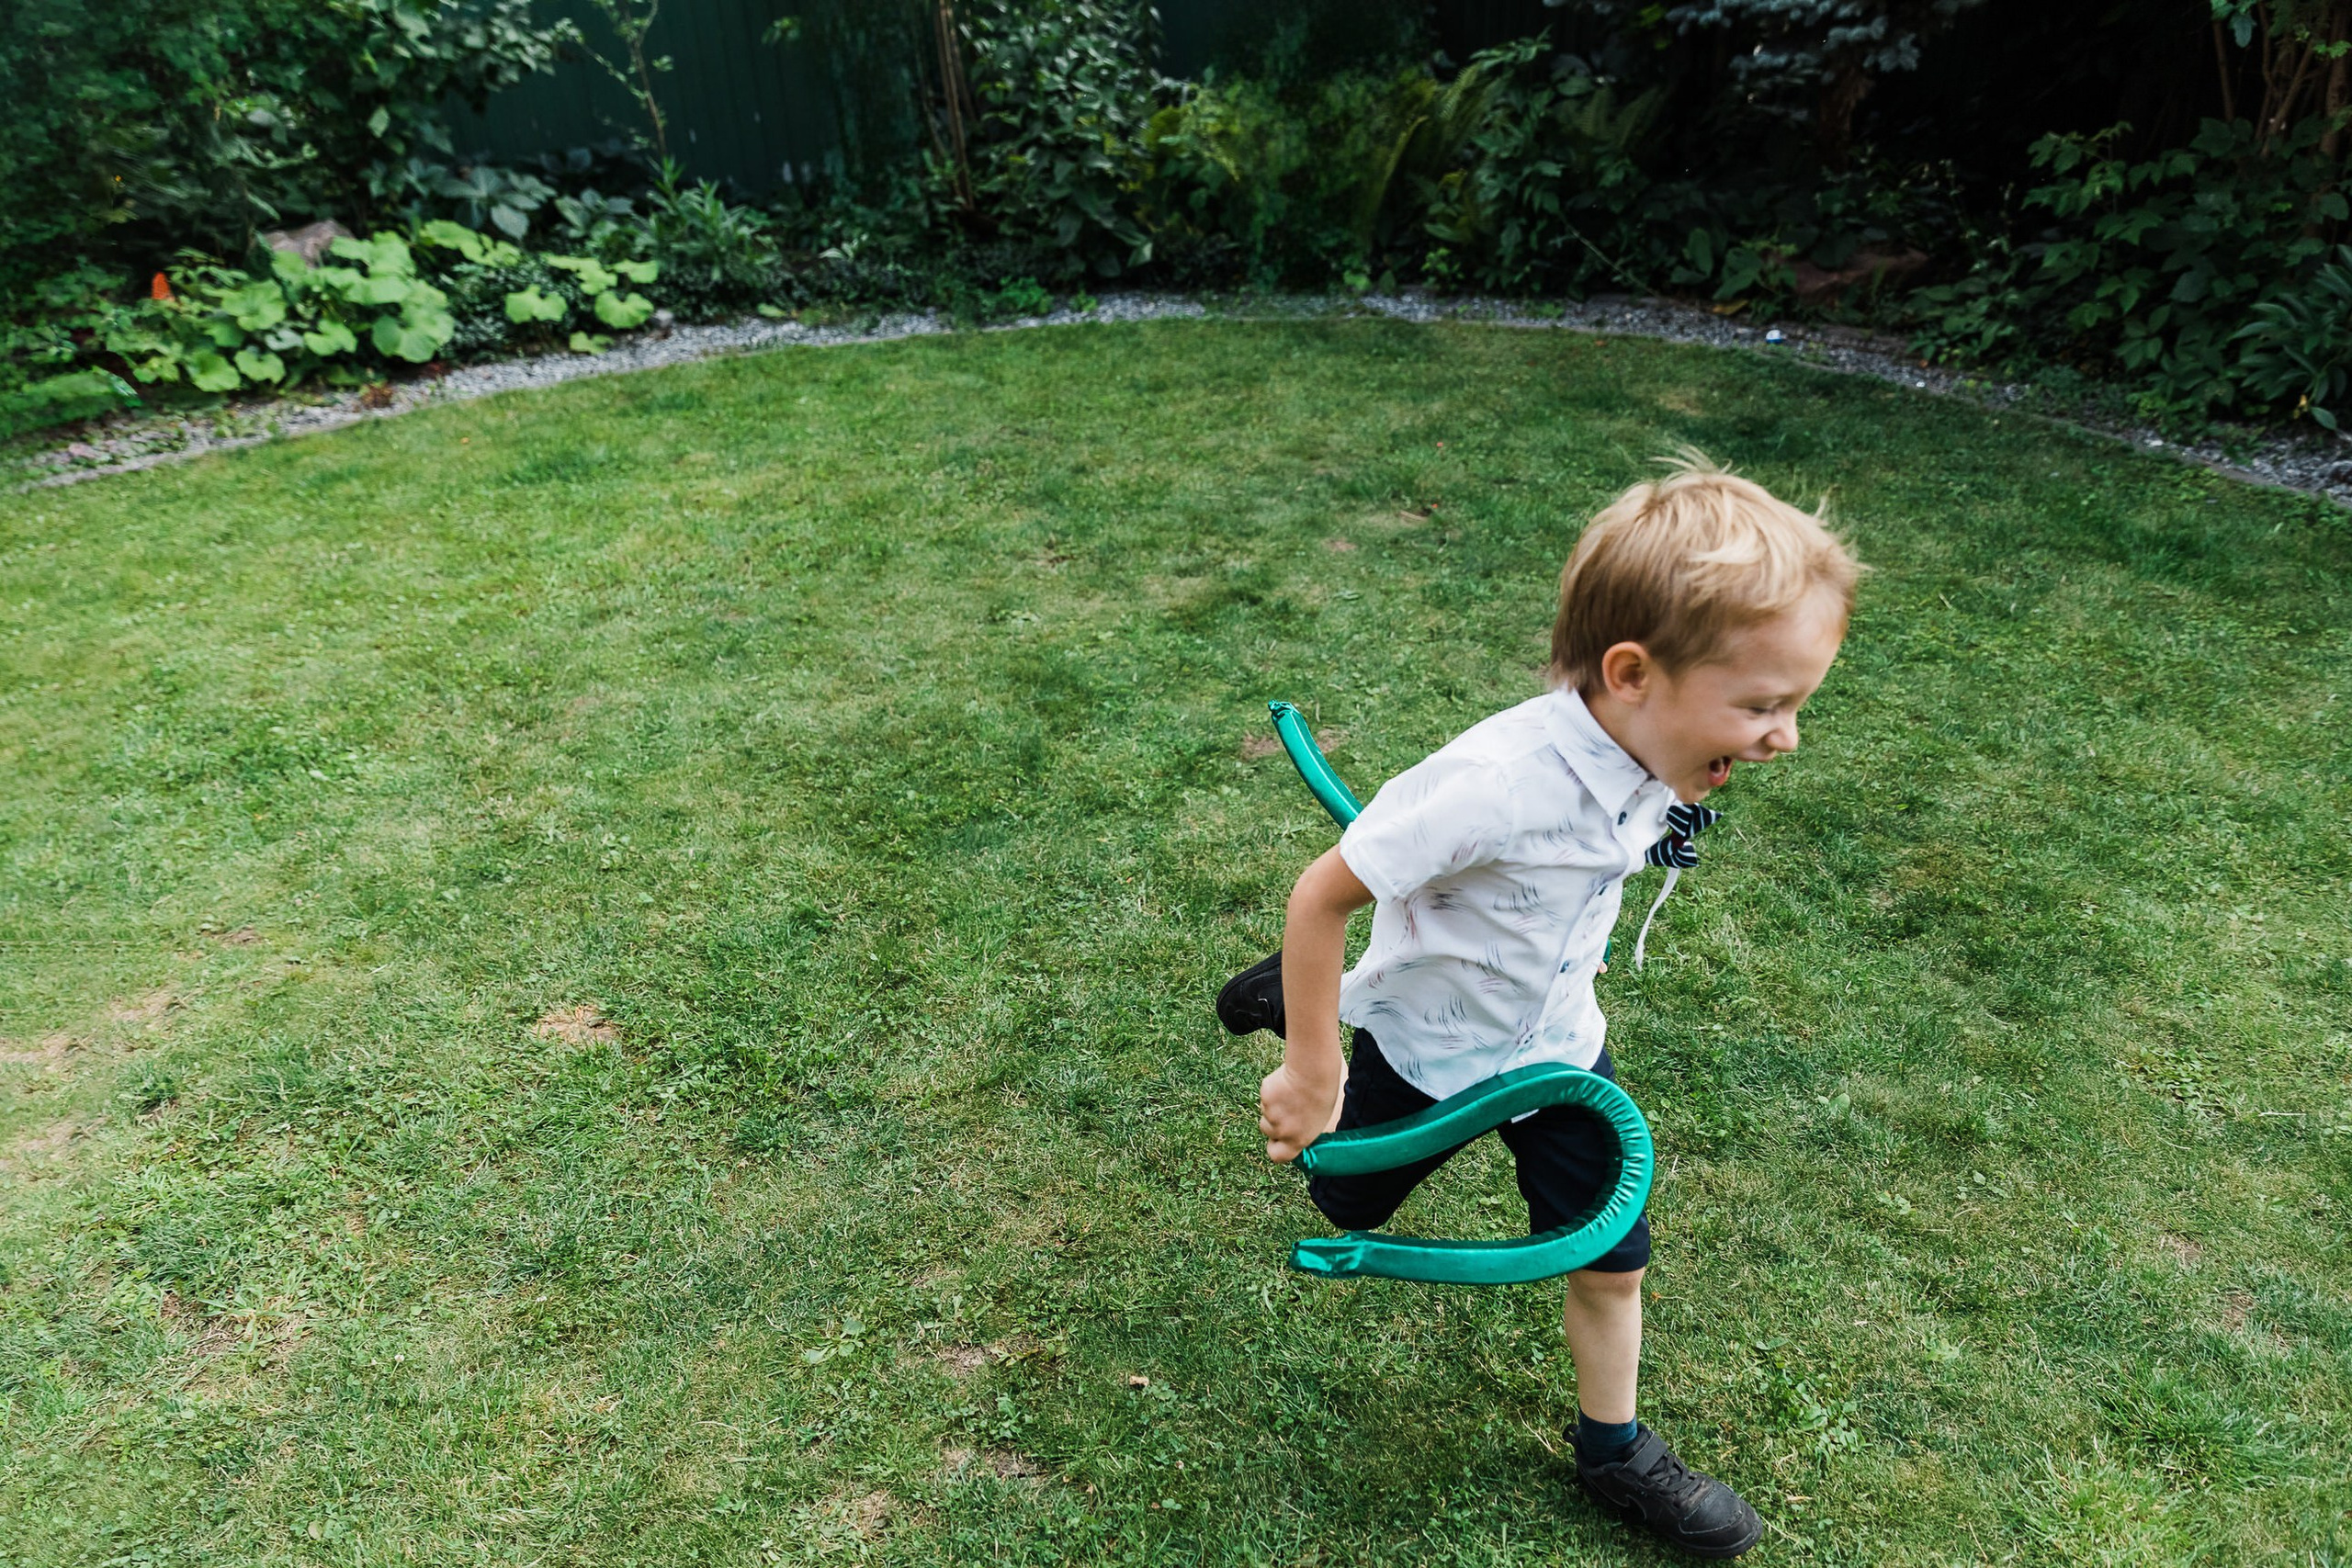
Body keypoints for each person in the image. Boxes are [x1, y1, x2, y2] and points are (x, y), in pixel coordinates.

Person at [1219, 453, 1861, 1559]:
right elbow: (1322, 893)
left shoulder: (1653, 747)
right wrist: (1314, 1065)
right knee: (1344, 1201)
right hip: (1431, 1045)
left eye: (1793, 705)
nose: (1785, 736)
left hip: (1559, 1054)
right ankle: (1306, 997)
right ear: (1631, 673)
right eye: (1762, 705)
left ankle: (1614, 1451)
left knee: (1613, 1255)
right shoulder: (1494, 785)